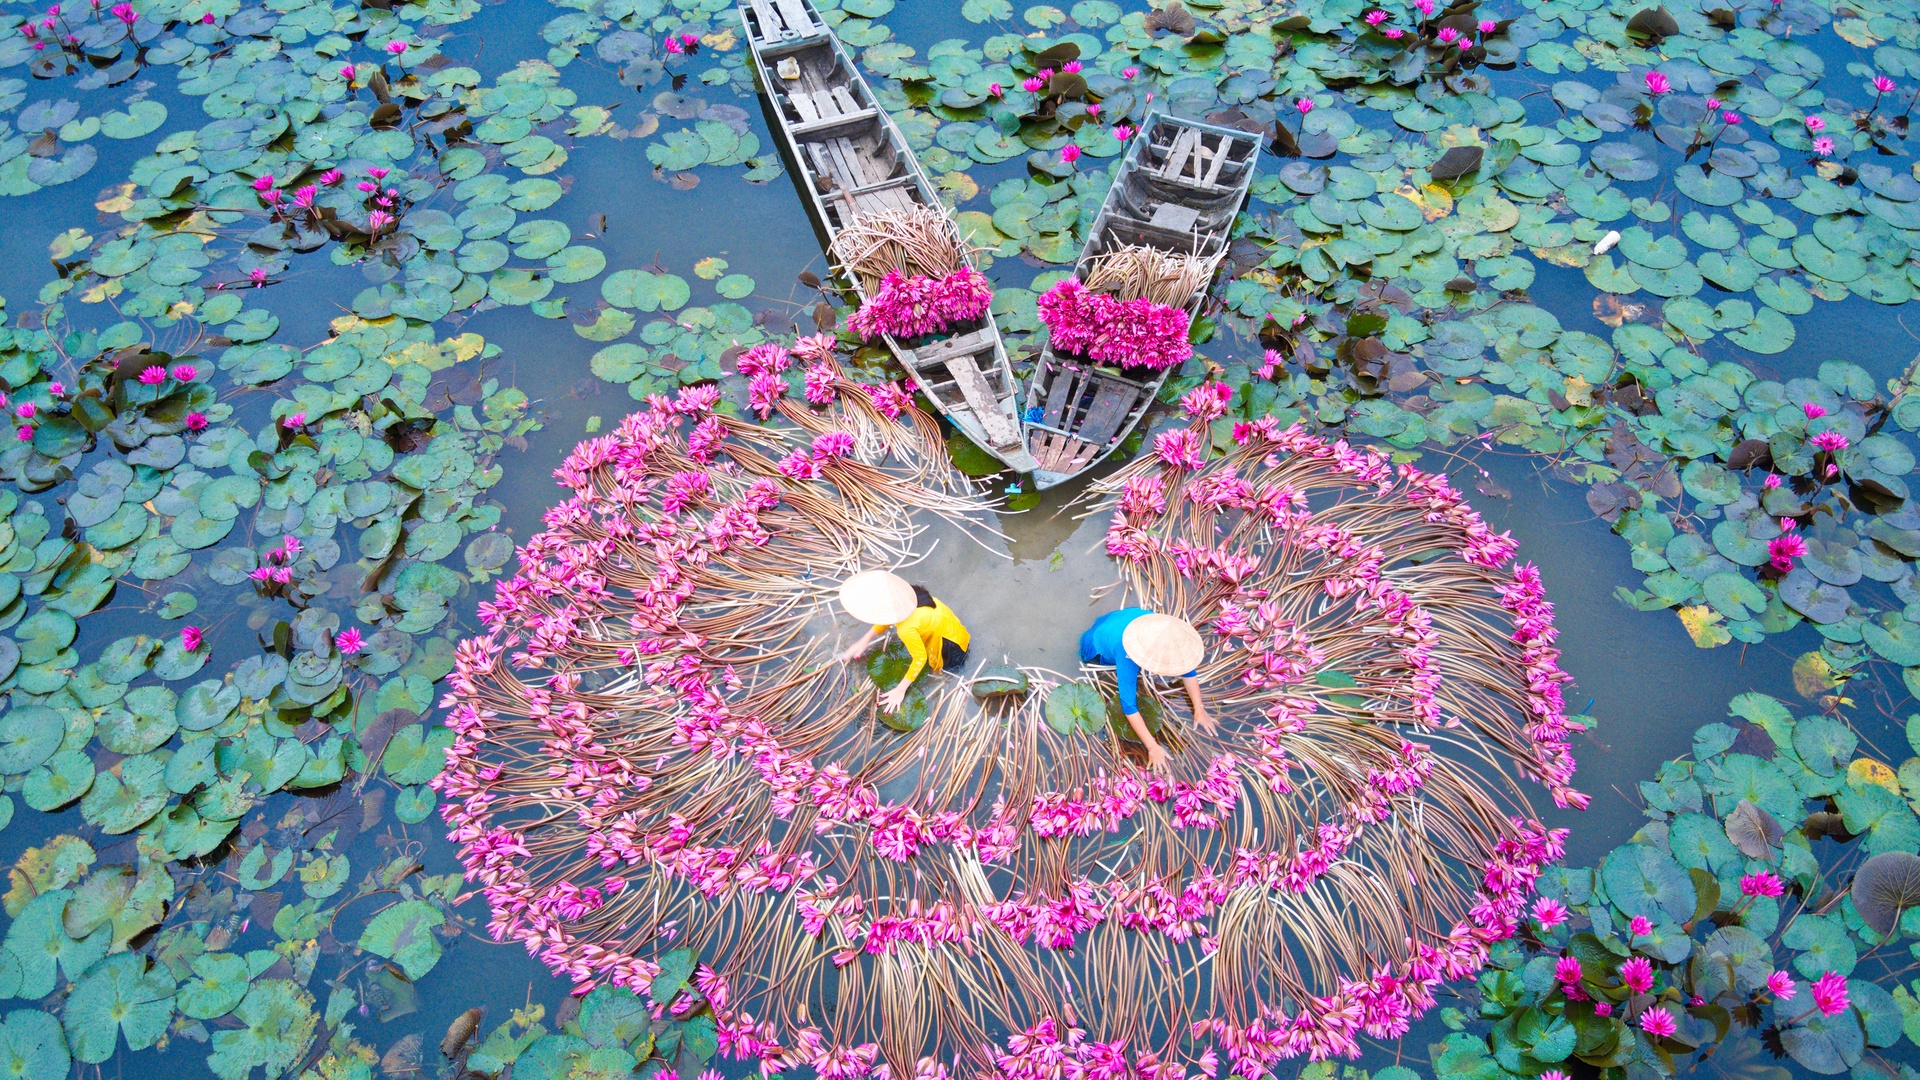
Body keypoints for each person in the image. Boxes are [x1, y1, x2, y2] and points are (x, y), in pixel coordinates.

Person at [1079, 608, 1212, 771]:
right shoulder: (1127, 653)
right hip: (1096, 642)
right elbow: (1129, 706)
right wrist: (1152, 746)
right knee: (1098, 662)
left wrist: (1199, 708)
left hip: (1123, 618)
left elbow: (1187, 668)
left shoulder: (1162, 628)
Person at [837, 570, 971, 713]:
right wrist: (866, 639)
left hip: (952, 647)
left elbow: (920, 658)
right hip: (952, 628)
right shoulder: (909, 595)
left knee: (944, 673)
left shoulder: (906, 629)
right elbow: (891, 616)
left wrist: (900, 690)